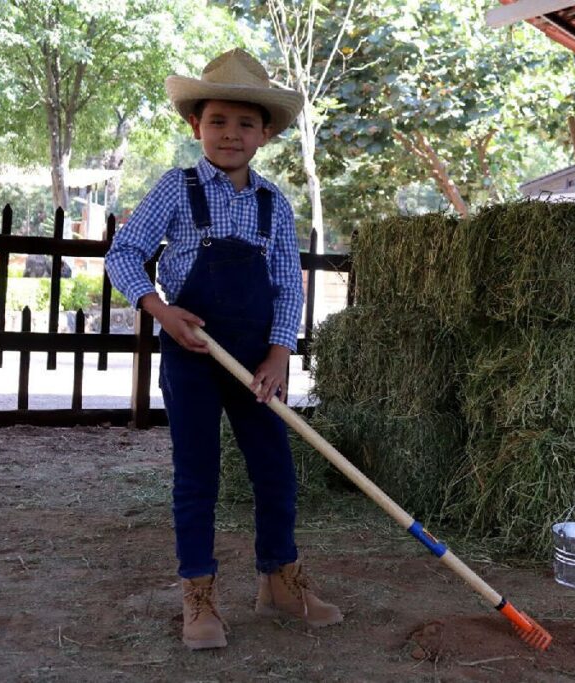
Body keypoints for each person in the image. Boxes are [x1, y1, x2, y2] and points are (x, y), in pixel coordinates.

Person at [105, 48, 342, 651]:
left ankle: (279, 582)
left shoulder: (272, 205)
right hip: (192, 356)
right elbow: (124, 254)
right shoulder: (176, 190)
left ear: (265, 133)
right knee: (197, 477)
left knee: (276, 472)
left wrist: (279, 353)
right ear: (195, 126)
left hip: (255, 362)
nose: (230, 134)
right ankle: (199, 593)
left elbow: (289, 284)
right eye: (217, 121)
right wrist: (160, 309)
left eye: (244, 123)